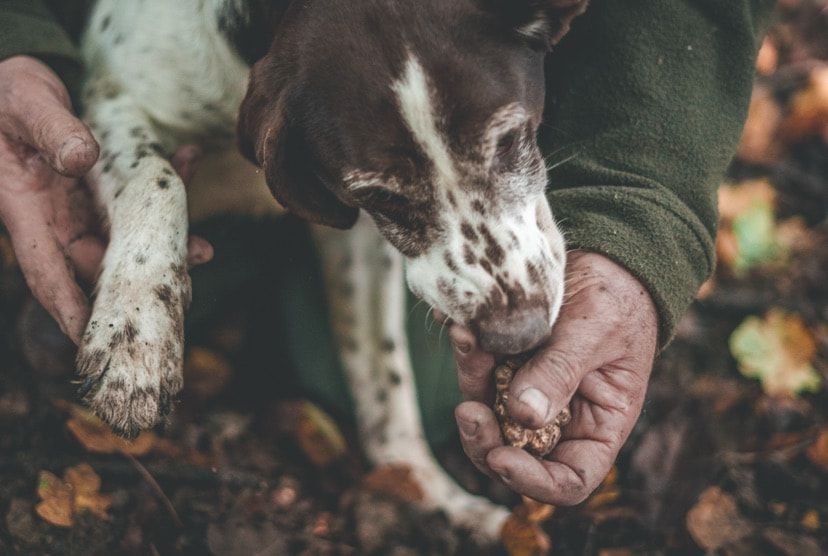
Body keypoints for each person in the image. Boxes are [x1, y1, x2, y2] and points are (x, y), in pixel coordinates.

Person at [0, 0, 775, 505]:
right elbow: (119, 109)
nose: (514, 294)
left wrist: (637, 221)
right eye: (390, 195)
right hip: (217, 113)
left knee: (451, 406)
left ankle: (391, 437)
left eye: (507, 144)